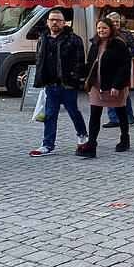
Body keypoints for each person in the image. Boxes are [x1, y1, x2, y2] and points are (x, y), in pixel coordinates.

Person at [29, 8, 88, 157]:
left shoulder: (73, 38)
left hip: (66, 84)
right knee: (50, 116)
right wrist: (41, 79)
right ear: (47, 22)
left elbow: (80, 62)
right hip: (50, 85)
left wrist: (72, 81)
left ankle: (82, 135)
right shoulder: (43, 38)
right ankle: (48, 145)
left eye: (58, 20)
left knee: (73, 111)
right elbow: (39, 60)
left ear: (64, 22)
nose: (55, 22)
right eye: (52, 20)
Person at [76, 17, 132, 158]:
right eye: (99, 28)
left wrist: (118, 85)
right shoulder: (95, 44)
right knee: (95, 114)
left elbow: (125, 66)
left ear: (111, 29)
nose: (101, 30)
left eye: (104, 28)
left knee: (120, 112)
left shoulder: (120, 44)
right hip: (97, 84)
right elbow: (91, 64)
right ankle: (91, 146)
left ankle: (125, 139)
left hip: (114, 85)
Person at [103, 12, 134, 128]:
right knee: (108, 91)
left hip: (122, 69)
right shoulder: (104, 34)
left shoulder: (126, 34)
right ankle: (113, 118)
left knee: (123, 93)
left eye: (117, 21)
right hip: (107, 69)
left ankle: (129, 115)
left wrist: (124, 57)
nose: (116, 23)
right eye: (113, 21)